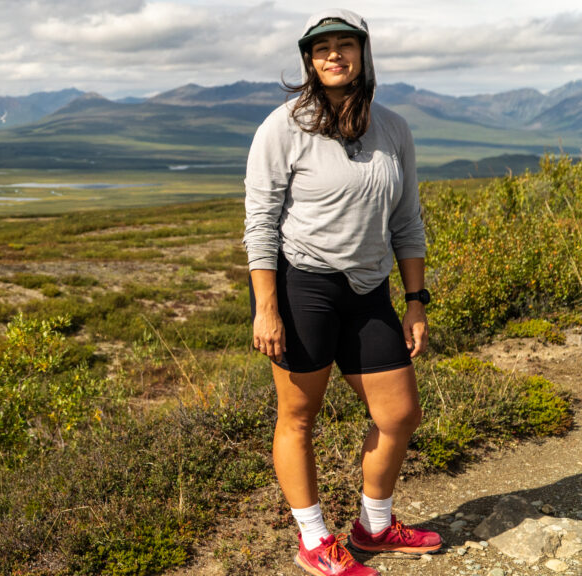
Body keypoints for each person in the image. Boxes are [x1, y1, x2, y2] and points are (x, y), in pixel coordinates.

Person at [242, 8, 442, 576]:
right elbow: (260, 223)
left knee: (400, 413)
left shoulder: (394, 128)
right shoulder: (283, 126)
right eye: (321, 47)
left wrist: (415, 301)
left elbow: (407, 221)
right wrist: (266, 309)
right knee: (298, 417)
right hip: (302, 286)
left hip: (369, 289)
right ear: (309, 59)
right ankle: (313, 539)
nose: (334, 55)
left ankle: (373, 527)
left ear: (363, 52)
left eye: (345, 45)